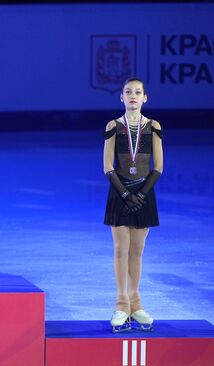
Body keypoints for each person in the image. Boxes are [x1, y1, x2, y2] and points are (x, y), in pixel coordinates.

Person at [103, 77, 163, 332]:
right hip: (119, 193)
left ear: (145, 97)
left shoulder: (154, 126)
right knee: (120, 250)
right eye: (128, 92)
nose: (133, 96)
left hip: (144, 194)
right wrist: (126, 195)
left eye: (138, 92)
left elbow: (158, 167)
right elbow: (107, 166)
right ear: (121, 97)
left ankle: (136, 304)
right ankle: (121, 304)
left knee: (137, 251)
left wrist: (141, 194)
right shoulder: (114, 126)